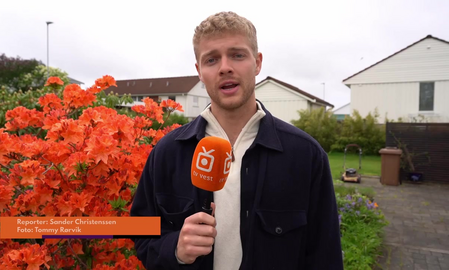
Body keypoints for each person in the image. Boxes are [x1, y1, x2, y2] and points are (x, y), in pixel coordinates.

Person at [130, 11, 343, 270]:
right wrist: (174, 248)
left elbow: (325, 255)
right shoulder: (166, 153)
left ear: (258, 62)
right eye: (211, 59)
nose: (225, 67)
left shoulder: (306, 156)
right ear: (199, 71)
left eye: (237, 55)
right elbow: (140, 231)